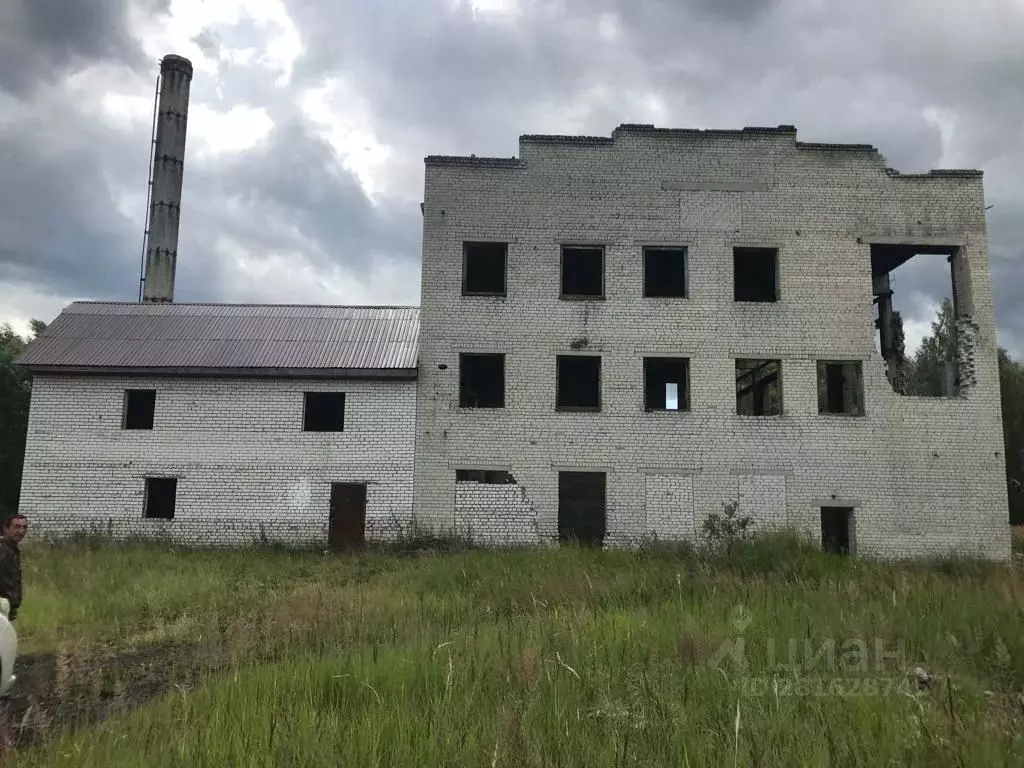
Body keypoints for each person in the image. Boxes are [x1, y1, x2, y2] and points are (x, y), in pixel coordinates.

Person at [0, 515, 27, 623]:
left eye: (24, 527)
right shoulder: (2, 550)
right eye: (16, 526)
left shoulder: (11, 550)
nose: (21, 531)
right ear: (5, 528)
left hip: (6, 612)